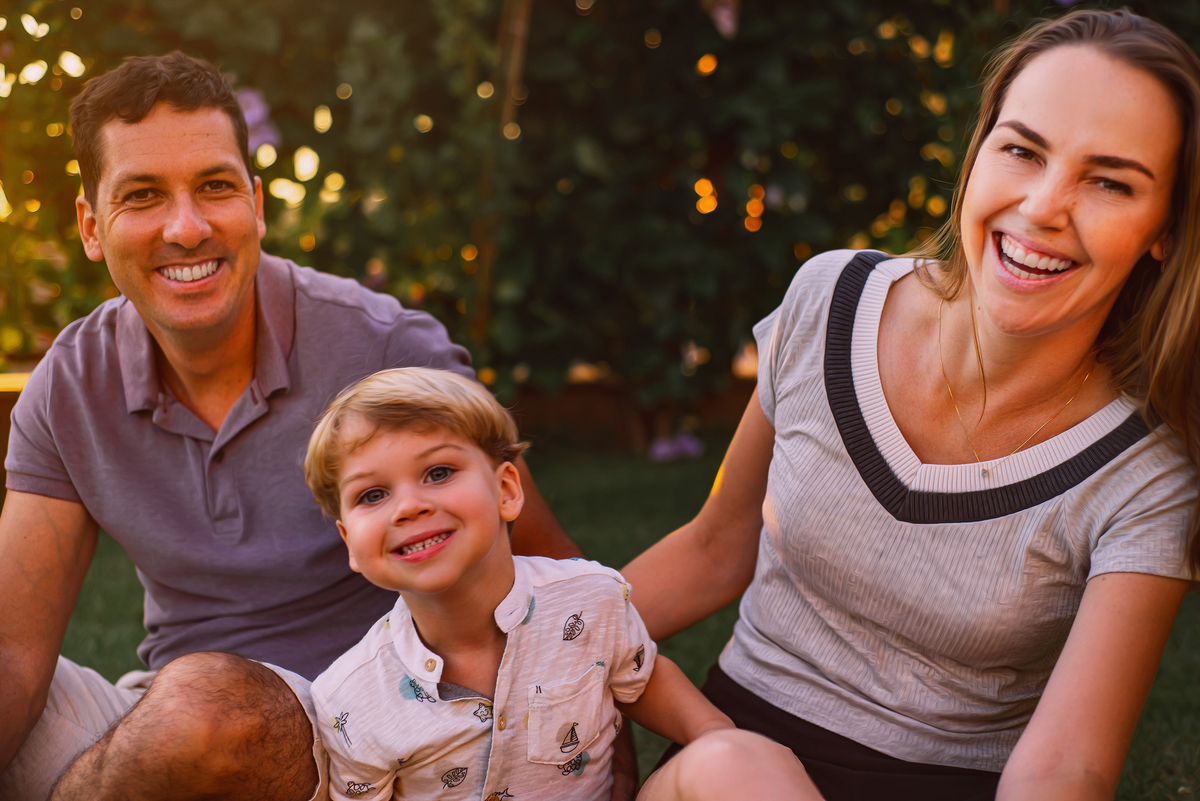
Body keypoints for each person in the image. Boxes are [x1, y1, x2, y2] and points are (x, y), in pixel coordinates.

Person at [624, 8, 1200, 801]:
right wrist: (526, 639)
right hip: (726, 766)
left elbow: (1066, 768)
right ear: (978, 155)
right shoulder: (831, 300)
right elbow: (716, 546)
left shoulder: (1146, 475)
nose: (1042, 206)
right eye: (1022, 150)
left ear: (1164, 228)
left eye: (1108, 180)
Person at [0, 52, 604, 801]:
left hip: (380, 732)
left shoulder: (385, 349)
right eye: (143, 196)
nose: (186, 228)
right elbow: (16, 652)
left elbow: (558, 584)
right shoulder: (70, 385)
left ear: (256, 204)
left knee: (204, 710)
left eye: (214, 187)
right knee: (180, 711)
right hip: (164, 712)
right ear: (92, 226)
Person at [302, 367, 818, 801]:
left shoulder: (589, 599)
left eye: (438, 472)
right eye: (372, 495)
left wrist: (709, 735)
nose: (408, 506)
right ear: (350, 540)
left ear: (507, 490)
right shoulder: (350, 701)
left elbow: (642, 677)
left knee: (737, 758)